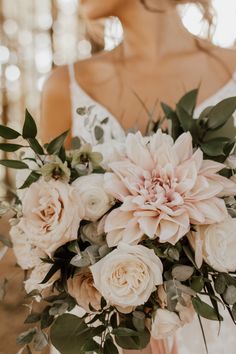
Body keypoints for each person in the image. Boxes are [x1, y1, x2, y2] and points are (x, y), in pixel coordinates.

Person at [41, 1, 236, 353]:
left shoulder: (233, 70)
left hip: (213, 333)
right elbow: (49, 242)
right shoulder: (63, 86)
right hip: (105, 336)